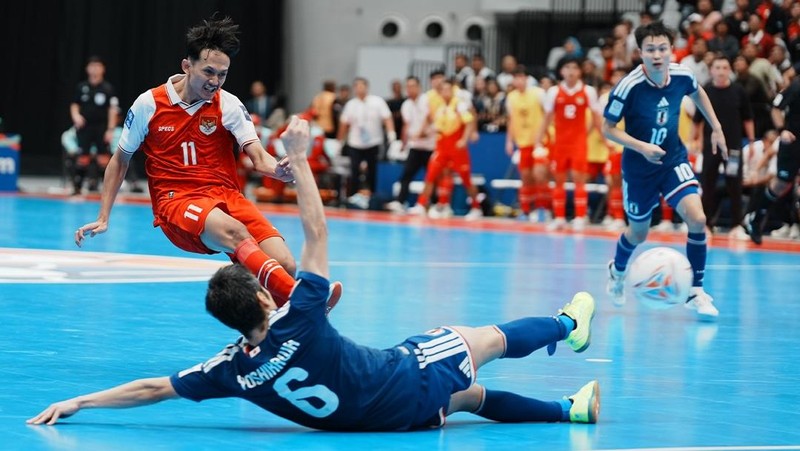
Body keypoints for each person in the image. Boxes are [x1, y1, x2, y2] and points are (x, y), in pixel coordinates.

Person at [28, 115, 600, 431]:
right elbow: (317, 233)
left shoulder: (231, 368)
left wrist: (81, 402)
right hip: (402, 382)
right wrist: (299, 158)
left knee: (470, 398)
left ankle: (567, 410)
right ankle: (567, 325)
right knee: (481, 339)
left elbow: (155, 387)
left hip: (386, 420)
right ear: (262, 298)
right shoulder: (298, 316)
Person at [73, 16, 340, 310]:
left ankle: (273, 328)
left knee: (284, 263)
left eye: (222, 75)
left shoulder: (228, 104)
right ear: (187, 66)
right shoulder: (149, 104)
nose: (214, 82)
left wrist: (279, 170)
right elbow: (120, 160)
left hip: (226, 197)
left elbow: (259, 157)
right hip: (177, 201)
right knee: (235, 232)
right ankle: (306, 301)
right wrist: (104, 216)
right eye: (208, 72)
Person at [602, 21, 727, 322]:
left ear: (672, 49)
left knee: (697, 219)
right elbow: (608, 129)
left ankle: (695, 291)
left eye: (662, 48)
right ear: (640, 52)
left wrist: (716, 127)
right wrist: (641, 147)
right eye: (650, 49)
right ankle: (617, 271)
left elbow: (698, 93)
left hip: (673, 160)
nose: (657, 55)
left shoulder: (683, 75)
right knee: (638, 233)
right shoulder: (629, 86)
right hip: (639, 169)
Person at [537, 57, 602, 232]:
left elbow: (596, 119)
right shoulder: (553, 92)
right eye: (567, 67)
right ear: (561, 71)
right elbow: (546, 119)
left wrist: (606, 140)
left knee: (579, 180)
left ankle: (580, 217)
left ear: (580, 71)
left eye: (574, 67)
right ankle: (559, 218)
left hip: (578, 143)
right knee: (558, 181)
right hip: (560, 144)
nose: (571, 71)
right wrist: (538, 140)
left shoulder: (588, 91)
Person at [693, 56, 754, 237]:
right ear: (712, 70)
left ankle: (736, 225)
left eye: (725, 67)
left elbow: (748, 118)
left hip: (733, 147)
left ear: (730, 70)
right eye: (717, 67)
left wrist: (751, 142)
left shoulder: (738, 91)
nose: (721, 71)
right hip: (711, 147)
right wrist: (695, 140)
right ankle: (706, 225)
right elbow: (697, 120)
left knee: (734, 184)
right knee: (708, 184)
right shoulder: (706, 91)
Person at [408, 78, 484, 220]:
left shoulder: (459, 105)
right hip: (442, 148)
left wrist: (464, 139)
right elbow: (436, 128)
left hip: (457, 148)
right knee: (431, 175)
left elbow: (469, 121)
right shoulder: (441, 108)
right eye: (443, 90)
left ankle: (476, 207)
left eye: (448, 89)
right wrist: (421, 134)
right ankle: (424, 205)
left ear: (452, 90)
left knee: (466, 178)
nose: (445, 92)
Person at [745, 69, 800, 244]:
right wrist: (782, 130)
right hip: (793, 142)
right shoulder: (796, 86)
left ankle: (793, 224)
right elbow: (776, 109)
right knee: (781, 184)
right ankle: (756, 219)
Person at [337, 77, 395, 209]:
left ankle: (372, 199)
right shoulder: (351, 104)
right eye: (357, 86)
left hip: (373, 142)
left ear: (366, 87)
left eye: (361, 86)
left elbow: (387, 118)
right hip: (355, 143)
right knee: (354, 171)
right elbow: (344, 124)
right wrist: (339, 141)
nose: (359, 89)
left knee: (372, 171)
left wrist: (391, 133)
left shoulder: (377, 102)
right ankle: (353, 198)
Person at [385, 76, 437, 213]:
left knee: (432, 177)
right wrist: (404, 143)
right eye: (407, 86)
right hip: (415, 146)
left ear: (419, 87)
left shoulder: (426, 100)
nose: (410, 89)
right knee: (406, 174)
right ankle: (400, 202)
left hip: (430, 146)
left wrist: (423, 133)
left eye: (413, 86)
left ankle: (434, 204)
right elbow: (406, 125)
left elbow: (431, 119)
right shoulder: (406, 105)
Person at [70, 56, 119, 195]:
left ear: (103, 69)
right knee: (83, 157)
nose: (95, 69)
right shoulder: (82, 87)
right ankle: (77, 188)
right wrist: (76, 116)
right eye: (92, 66)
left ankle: (107, 189)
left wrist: (110, 129)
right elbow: (74, 104)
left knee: (104, 158)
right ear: (87, 69)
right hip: (85, 128)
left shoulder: (108, 88)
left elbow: (112, 110)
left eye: (98, 66)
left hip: (101, 127)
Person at [505, 65, 548, 221]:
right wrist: (509, 141)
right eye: (516, 78)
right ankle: (526, 210)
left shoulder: (538, 94)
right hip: (523, 142)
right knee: (525, 176)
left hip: (540, 142)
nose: (519, 81)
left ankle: (543, 209)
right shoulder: (511, 97)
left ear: (527, 79)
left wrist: (546, 135)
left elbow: (549, 115)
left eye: (521, 77)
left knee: (539, 174)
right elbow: (511, 120)